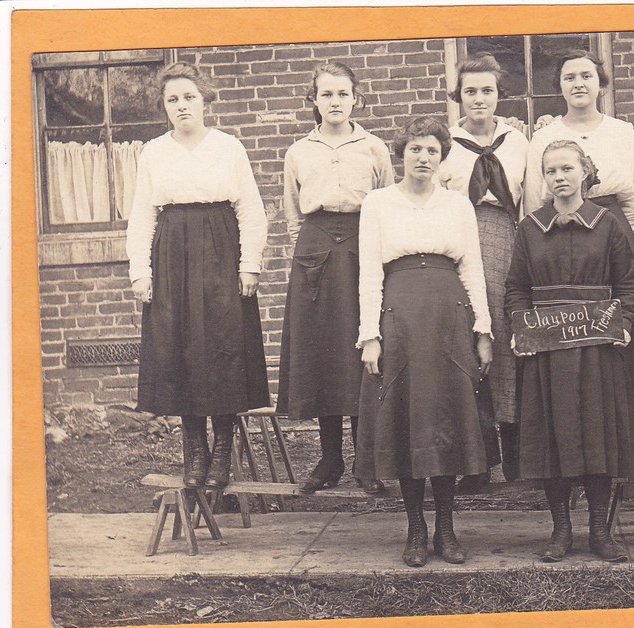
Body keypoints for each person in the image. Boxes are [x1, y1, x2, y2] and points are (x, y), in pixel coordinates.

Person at [354, 117, 493, 567]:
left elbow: (472, 268)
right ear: (401, 153)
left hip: (449, 318)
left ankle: (447, 529)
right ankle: (416, 528)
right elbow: (369, 274)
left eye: (432, 150)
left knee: (445, 420)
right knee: (408, 420)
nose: (423, 158)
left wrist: (483, 330)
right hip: (399, 317)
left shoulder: (457, 206)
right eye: (415, 149)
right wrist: (370, 335)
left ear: (442, 156)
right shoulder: (377, 203)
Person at [126, 61, 269, 489]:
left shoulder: (229, 148)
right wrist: (140, 271)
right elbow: (141, 215)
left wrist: (249, 265)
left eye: (189, 97)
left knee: (223, 346)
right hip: (171, 253)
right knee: (179, 348)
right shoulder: (154, 151)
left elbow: (250, 210)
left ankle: (223, 448)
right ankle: (194, 451)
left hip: (221, 248)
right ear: (164, 107)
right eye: (173, 100)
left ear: (205, 100)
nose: (182, 105)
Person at [506, 139, 634, 563]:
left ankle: (600, 532)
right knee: (555, 436)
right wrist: (520, 328)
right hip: (548, 352)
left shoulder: (608, 223)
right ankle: (560, 530)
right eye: (551, 171)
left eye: (568, 169)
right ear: (544, 179)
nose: (560, 178)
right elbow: (516, 287)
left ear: (586, 171)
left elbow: (629, 285)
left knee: (597, 435)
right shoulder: (530, 228)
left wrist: (623, 325)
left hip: (596, 349)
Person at [276, 62, 394, 495]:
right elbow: (292, 212)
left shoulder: (374, 147)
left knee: (362, 346)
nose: (335, 102)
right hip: (316, 247)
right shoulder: (298, 151)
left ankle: (367, 461)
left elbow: (385, 200)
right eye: (326, 95)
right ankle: (330, 460)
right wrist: (310, 246)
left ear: (356, 98)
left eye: (343, 94)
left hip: (363, 242)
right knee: (323, 353)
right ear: (314, 101)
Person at [524, 49, 634, 412]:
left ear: (600, 83)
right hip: (560, 233)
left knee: (617, 327)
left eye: (586, 75)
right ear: (560, 88)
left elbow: (632, 196)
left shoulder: (621, 132)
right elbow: (537, 199)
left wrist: (613, 241)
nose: (578, 83)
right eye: (569, 77)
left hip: (610, 230)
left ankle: (622, 430)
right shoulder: (545, 136)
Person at [440, 54, 528, 489]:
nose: (479, 99)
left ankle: (514, 455)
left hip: (507, 241)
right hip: (459, 241)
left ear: (499, 95)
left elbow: (529, 198)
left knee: (507, 344)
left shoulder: (517, 142)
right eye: (470, 91)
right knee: (467, 343)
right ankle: (476, 461)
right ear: (459, 97)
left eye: (487, 90)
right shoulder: (446, 145)